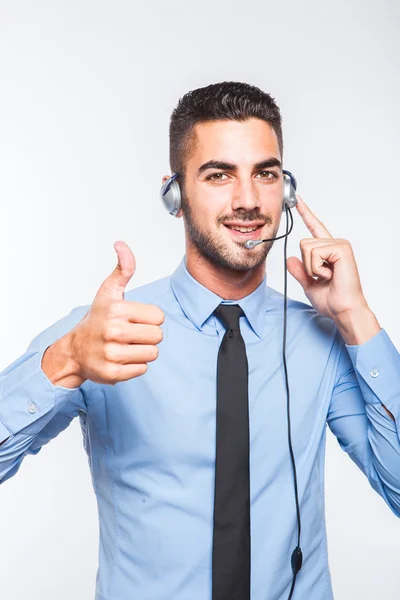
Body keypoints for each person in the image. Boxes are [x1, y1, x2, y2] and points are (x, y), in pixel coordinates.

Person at [1, 81, 399, 600]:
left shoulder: (322, 338)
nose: (249, 200)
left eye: (266, 173)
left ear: (288, 191)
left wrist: (357, 318)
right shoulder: (103, 332)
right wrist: (63, 362)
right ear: (176, 195)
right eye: (219, 175)